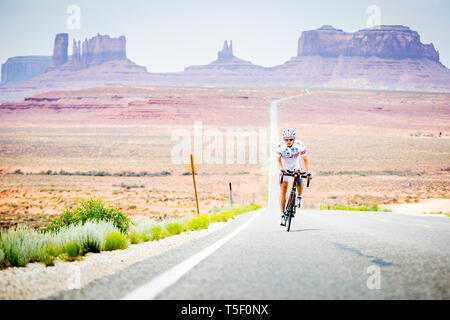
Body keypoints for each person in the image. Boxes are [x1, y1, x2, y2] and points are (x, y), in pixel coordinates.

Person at [275, 128, 311, 226]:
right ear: (283, 139)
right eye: (286, 139)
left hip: (295, 164)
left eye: (290, 139)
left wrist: (308, 173)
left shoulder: (300, 145)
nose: (288, 141)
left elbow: (306, 160)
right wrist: (282, 170)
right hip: (284, 165)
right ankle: (282, 215)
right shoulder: (280, 146)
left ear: (294, 139)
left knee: (299, 176)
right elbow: (278, 160)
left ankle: (299, 197)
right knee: (283, 189)